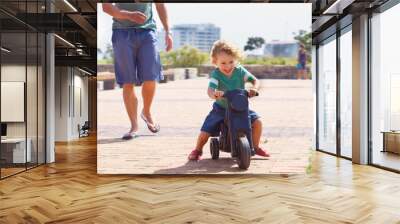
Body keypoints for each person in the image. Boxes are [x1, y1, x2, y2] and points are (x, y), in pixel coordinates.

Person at [188, 40, 270, 161]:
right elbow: (210, 90)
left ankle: (255, 146)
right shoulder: (216, 75)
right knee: (206, 130)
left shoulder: (240, 71)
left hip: (240, 107)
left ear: (235, 59)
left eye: (231, 62)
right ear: (215, 62)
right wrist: (215, 94)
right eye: (223, 63)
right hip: (221, 108)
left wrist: (253, 88)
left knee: (257, 122)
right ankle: (198, 149)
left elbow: (255, 81)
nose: (228, 66)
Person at [102, 3, 173, 140]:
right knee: (128, 81)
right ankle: (134, 126)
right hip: (121, 32)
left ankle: (146, 112)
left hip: (147, 32)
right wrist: (129, 15)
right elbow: (106, 7)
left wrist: (168, 31)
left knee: (151, 77)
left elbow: (160, 5)